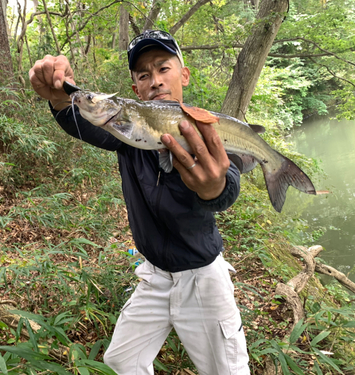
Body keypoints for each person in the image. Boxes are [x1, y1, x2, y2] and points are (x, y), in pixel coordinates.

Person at [29, 30, 250, 375]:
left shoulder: (205, 127)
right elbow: (88, 122)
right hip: (155, 274)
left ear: (184, 75)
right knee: (122, 360)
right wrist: (60, 100)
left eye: (164, 68)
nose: (156, 80)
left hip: (202, 277)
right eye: (144, 75)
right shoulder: (128, 136)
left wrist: (214, 188)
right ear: (135, 89)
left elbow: (227, 181)